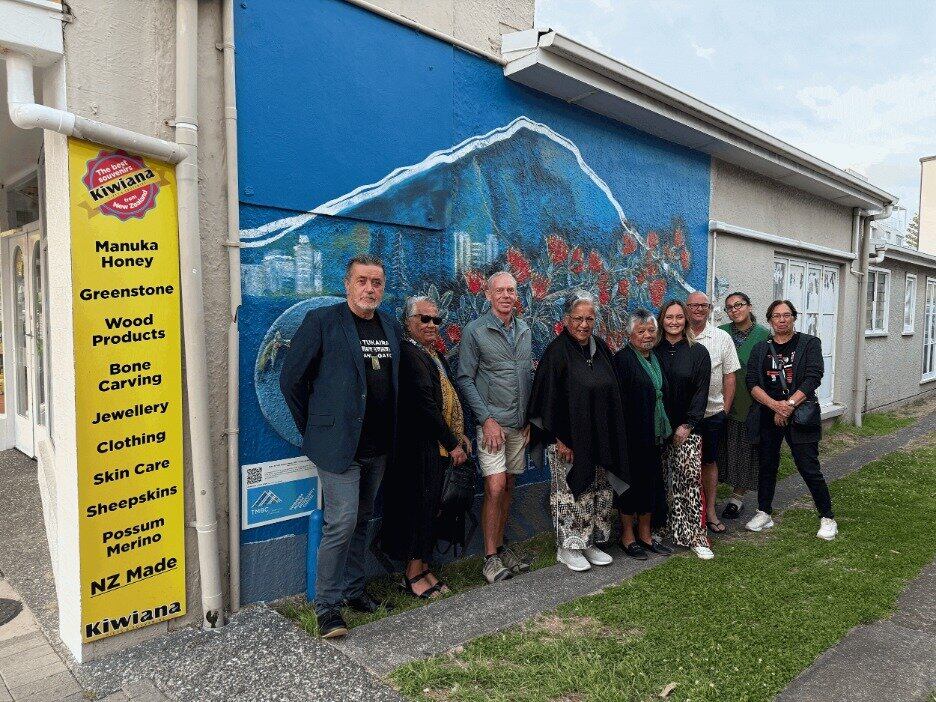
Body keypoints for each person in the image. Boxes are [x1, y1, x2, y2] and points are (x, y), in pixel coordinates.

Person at [280, 254, 400, 638]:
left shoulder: (390, 325)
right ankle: (327, 607)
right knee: (341, 523)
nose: (370, 289)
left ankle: (353, 591)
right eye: (362, 281)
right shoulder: (322, 322)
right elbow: (291, 380)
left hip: (378, 446)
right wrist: (316, 428)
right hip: (338, 449)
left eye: (376, 282)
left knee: (362, 520)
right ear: (347, 284)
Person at [528, 291, 630, 572]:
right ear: (566, 320)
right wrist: (559, 439)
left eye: (589, 318)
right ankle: (568, 547)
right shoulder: (556, 352)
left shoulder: (601, 348)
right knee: (571, 492)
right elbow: (546, 400)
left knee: (597, 490)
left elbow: (613, 391)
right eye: (578, 318)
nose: (584, 324)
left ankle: (590, 542)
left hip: (599, 438)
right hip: (567, 441)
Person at [380, 296, 471, 599]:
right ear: (408, 323)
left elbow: (450, 397)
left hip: (437, 449)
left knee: (433, 508)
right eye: (424, 319)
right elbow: (425, 408)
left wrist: (460, 436)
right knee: (419, 511)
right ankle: (412, 574)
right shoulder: (410, 355)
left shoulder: (432, 354)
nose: (432, 325)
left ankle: (424, 566)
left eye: (436, 320)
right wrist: (451, 443)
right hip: (419, 450)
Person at [457, 271, 533, 584]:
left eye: (510, 291)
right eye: (499, 290)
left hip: (518, 425)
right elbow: (464, 377)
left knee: (510, 486)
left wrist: (529, 418)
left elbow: (526, 375)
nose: (505, 295)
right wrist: (486, 419)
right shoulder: (475, 331)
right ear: (487, 295)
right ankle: (489, 558)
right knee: (495, 486)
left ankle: (500, 548)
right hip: (492, 426)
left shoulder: (525, 329)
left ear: (517, 296)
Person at [744, 300, 838, 540]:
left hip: (800, 413)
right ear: (770, 320)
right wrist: (775, 405)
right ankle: (764, 512)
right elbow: (752, 383)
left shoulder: (809, 344)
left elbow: (813, 377)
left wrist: (788, 406)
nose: (782, 319)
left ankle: (827, 517)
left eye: (787, 315)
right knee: (767, 465)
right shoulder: (760, 349)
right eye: (776, 316)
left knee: (808, 466)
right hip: (768, 413)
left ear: (794, 318)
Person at [613, 309, 673, 560]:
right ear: (630, 334)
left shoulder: (656, 358)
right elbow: (615, 401)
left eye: (651, 330)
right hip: (630, 436)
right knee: (630, 487)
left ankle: (646, 535)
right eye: (641, 331)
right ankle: (628, 537)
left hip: (654, 435)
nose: (647, 335)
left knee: (651, 485)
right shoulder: (623, 360)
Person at [655, 299, 713, 559]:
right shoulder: (652, 351)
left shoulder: (698, 352)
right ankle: (662, 530)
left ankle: (697, 536)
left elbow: (701, 392)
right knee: (659, 482)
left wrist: (688, 424)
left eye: (679, 317)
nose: (674, 322)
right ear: (661, 320)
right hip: (656, 430)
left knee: (689, 481)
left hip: (686, 430)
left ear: (686, 320)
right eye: (669, 317)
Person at [686, 291, 740, 535]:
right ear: (686, 308)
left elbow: (730, 376)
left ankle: (709, 513)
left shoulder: (721, 337)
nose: (698, 309)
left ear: (709, 309)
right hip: (683, 417)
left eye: (703, 306)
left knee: (708, 462)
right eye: (693, 305)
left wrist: (725, 410)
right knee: (683, 466)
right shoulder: (676, 335)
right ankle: (686, 515)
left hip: (712, 414)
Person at [717, 292, 770, 520]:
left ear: (749, 306)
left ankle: (736, 498)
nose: (734, 310)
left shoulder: (764, 335)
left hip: (750, 402)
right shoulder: (721, 333)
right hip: (721, 401)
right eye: (729, 307)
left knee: (745, 451)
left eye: (739, 305)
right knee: (722, 449)